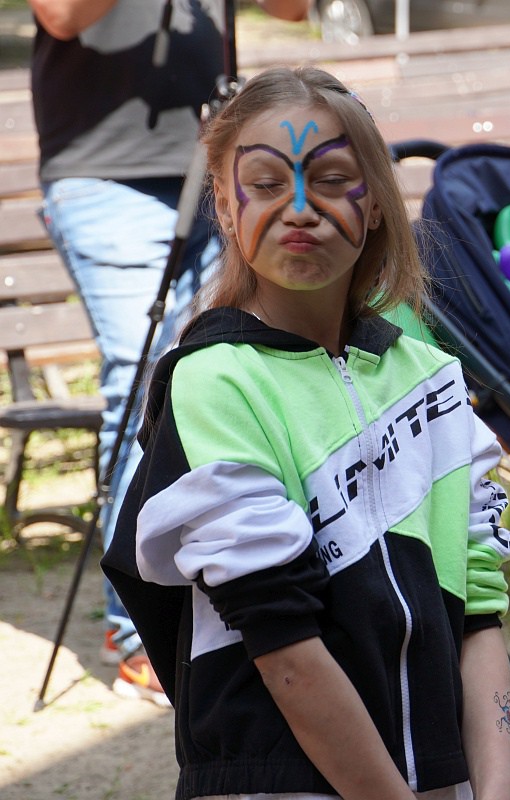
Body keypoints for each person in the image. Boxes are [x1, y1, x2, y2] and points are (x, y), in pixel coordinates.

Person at [100, 66, 510, 800]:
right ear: (226, 210)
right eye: (264, 184)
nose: (299, 207)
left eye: (331, 179)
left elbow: (478, 611)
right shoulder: (215, 380)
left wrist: (494, 789)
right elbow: (283, 648)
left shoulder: (431, 379)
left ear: (379, 205)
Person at [31, 0, 312, 706]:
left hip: (222, 164)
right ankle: (139, 632)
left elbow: (294, 8)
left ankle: (229, 602)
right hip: (109, 177)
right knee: (146, 382)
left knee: (229, 376)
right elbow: (61, 16)